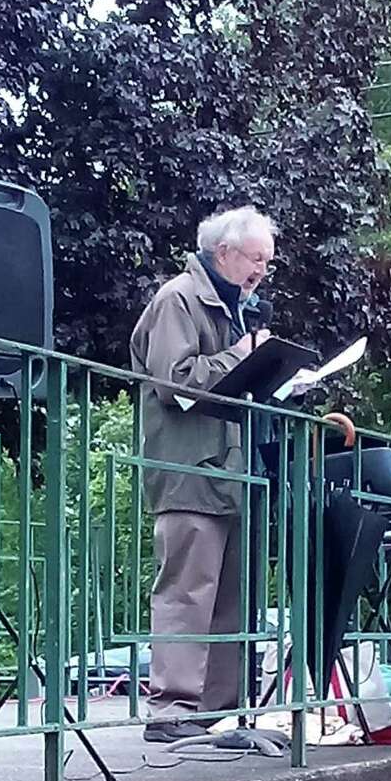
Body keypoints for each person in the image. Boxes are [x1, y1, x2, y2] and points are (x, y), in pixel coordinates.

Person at [130, 205, 276, 742]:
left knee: (229, 597)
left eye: (267, 262)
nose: (262, 270)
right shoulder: (178, 299)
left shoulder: (235, 307)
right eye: (256, 259)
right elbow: (175, 383)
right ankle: (171, 710)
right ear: (224, 252)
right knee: (187, 592)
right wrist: (241, 356)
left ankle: (216, 712)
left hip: (231, 472)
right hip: (189, 469)